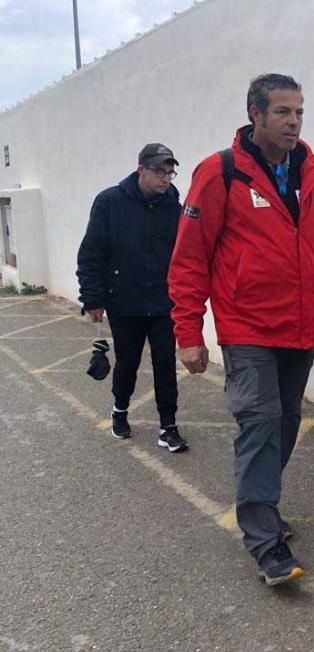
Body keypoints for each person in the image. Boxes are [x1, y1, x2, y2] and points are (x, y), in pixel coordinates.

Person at [168, 73, 314, 586]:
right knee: (259, 423)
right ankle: (263, 540)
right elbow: (190, 257)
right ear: (255, 114)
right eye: (283, 112)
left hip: (301, 328)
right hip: (247, 326)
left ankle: (262, 506)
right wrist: (188, 331)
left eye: (299, 111)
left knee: (285, 423)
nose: (294, 122)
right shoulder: (221, 173)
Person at [76, 143, 188, 453]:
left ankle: (168, 426)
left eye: (170, 172)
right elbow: (91, 253)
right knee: (128, 362)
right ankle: (120, 411)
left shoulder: (173, 206)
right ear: (141, 170)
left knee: (165, 363)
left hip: (164, 301)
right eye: (159, 171)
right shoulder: (109, 202)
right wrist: (93, 298)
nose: (165, 178)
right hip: (124, 301)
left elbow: (183, 253)